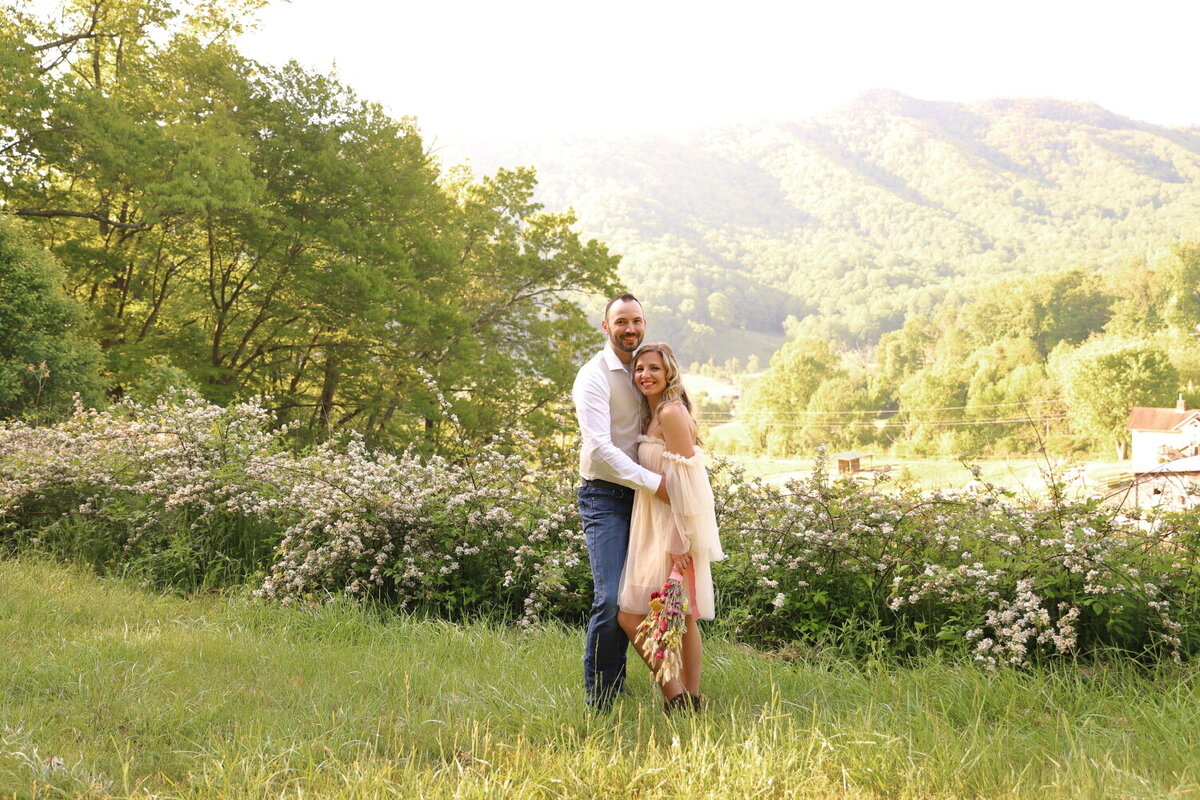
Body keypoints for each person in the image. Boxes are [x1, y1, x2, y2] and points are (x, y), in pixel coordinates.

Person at [573, 294, 670, 711]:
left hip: (646, 498)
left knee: (641, 597)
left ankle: (625, 683)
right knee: (610, 596)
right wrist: (656, 483)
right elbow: (600, 448)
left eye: (637, 321)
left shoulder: (648, 368)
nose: (630, 328)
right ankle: (600, 697)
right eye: (621, 322)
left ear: (644, 323)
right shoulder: (593, 377)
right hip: (605, 496)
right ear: (605, 326)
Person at [617, 342, 725, 714]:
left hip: (673, 527)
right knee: (663, 613)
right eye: (639, 369)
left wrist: (682, 536)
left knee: (661, 613)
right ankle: (684, 699)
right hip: (648, 523)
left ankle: (680, 696)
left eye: (654, 369)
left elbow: (689, 480)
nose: (645, 374)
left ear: (669, 374)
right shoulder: (650, 415)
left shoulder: (672, 413)